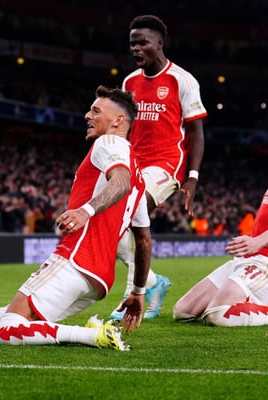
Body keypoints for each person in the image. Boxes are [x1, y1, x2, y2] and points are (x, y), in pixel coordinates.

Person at [0, 86, 151, 351]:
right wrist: (138, 292)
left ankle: (94, 336)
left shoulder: (109, 143)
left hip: (76, 260)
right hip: (99, 279)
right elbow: (143, 241)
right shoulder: (139, 176)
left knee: (6, 330)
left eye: (96, 111)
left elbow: (120, 182)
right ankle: (93, 331)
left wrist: (86, 211)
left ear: (118, 121)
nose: (88, 115)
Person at [110, 14, 208, 320]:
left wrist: (192, 177)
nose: (136, 48)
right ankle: (153, 282)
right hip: (134, 164)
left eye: (143, 43)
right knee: (112, 229)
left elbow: (196, 131)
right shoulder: (129, 82)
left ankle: (132, 296)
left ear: (159, 43)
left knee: (132, 212)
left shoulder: (182, 79)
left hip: (166, 165)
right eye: (132, 43)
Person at [173, 189, 268, 326]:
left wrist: (259, 241)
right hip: (246, 258)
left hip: (264, 261)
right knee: (183, 312)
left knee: (218, 314)